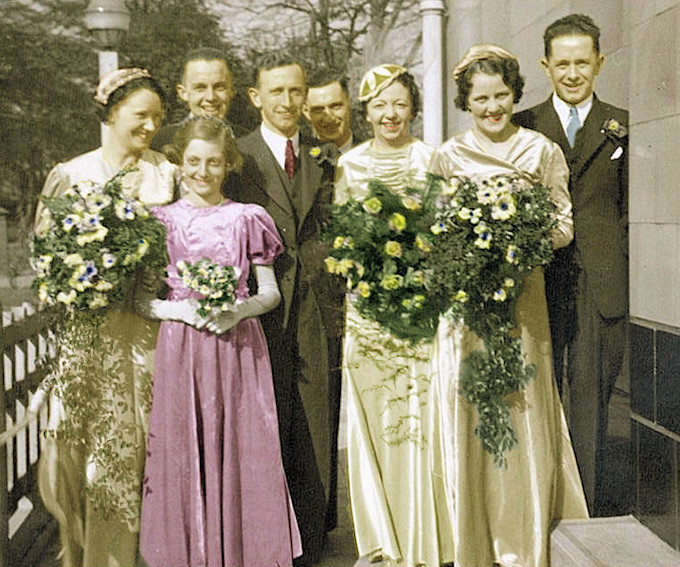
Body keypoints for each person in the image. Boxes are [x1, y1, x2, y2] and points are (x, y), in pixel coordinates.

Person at [429, 45, 588, 567]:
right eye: (481, 98)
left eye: (500, 95)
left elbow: (564, 225)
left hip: (523, 299)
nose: (492, 107)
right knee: (473, 407)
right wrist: (471, 247)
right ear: (465, 101)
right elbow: (433, 232)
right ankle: (473, 538)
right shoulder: (448, 156)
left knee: (522, 406)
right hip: (468, 304)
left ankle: (525, 532)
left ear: (515, 94)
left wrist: (520, 239)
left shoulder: (541, 151)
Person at [137, 117, 301, 567]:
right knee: (183, 450)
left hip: (238, 349)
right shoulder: (160, 221)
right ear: (179, 162)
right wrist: (179, 310)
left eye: (212, 162)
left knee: (241, 449)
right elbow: (142, 301)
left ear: (227, 164)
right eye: (193, 161)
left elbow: (270, 293)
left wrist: (237, 310)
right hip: (181, 349)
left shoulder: (247, 218)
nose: (202, 171)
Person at [34, 68, 177, 567]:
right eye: (141, 115)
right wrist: (82, 281)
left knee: (146, 444)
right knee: (90, 455)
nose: (150, 126)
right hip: (90, 333)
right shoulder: (72, 175)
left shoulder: (165, 173)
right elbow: (43, 257)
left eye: (158, 117)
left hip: (148, 333)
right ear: (113, 113)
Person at [334, 63, 454, 567]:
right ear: (365, 113)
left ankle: (432, 536)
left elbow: (447, 229)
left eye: (399, 103)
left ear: (414, 108)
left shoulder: (432, 158)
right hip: (368, 309)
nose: (390, 113)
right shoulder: (350, 165)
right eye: (379, 104)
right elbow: (342, 235)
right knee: (375, 421)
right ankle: (382, 539)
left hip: (421, 307)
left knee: (422, 417)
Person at [514, 13, 629, 515]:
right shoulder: (523, 126)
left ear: (599, 62)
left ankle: (588, 508)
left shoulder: (623, 123)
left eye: (583, 62)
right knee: (535, 394)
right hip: (539, 279)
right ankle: (539, 501)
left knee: (590, 398)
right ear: (546, 65)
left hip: (601, 281)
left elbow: (631, 211)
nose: (573, 72)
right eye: (563, 63)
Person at [228, 54, 338, 566]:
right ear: (256, 97)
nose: (288, 102)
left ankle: (312, 541)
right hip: (258, 307)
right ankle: (267, 538)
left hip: (316, 304)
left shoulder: (322, 154)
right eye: (277, 92)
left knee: (316, 419)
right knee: (265, 421)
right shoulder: (238, 157)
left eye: (296, 91)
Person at [151, 47, 243, 151]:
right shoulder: (160, 141)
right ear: (183, 93)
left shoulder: (246, 142)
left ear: (231, 91)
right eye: (200, 88)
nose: (211, 97)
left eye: (219, 87)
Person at [302, 72, 361, 153]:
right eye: (318, 110)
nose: (329, 119)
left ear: (349, 102)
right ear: (305, 111)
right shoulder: (298, 161)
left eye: (335, 106)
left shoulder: (373, 158)